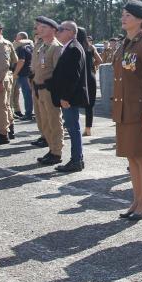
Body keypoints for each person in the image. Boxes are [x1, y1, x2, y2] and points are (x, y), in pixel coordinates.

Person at [111, 0, 142, 221]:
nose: (123, 18)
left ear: (140, 19)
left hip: (141, 110)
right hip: (124, 109)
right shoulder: (125, 44)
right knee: (131, 157)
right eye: (122, 15)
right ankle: (136, 199)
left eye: (128, 16)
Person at [51, 21, 88, 173]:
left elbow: (73, 76)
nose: (58, 32)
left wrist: (65, 97)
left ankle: (76, 160)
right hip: (69, 96)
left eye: (61, 29)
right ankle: (77, 159)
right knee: (73, 128)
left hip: (70, 97)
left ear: (72, 32)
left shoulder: (73, 49)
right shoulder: (70, 47)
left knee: (73, 129)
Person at [32, 16, 65, 165]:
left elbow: (59, 72)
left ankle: (57, 152)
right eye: (39, 27)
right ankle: (51, 149)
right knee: (44, 122)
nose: (40, 29)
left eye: (44, 27)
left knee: (54, 122)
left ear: (53, 30)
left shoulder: (56, 47)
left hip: (49, 90)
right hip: (39, 88)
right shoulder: (41, 46)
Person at [79, 27, 102, 137]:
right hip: (91, 77)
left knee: (73, 103)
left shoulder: (75, 47)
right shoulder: (91, 47)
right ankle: (88, 129)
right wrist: (93, 67)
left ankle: (69, 126)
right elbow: (100, 60)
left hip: (79, 78)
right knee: (90, 105)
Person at [13, 32, 34, 119]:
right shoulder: (31, 47)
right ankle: (30, 112)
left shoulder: (21, 48)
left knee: (26, 94)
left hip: (23, 73)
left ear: (21, 38)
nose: (15, 39)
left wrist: (15, 73)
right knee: (30, 94)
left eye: (17, 37)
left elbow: (21, 61)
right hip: (30, 73)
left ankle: (28, 113)